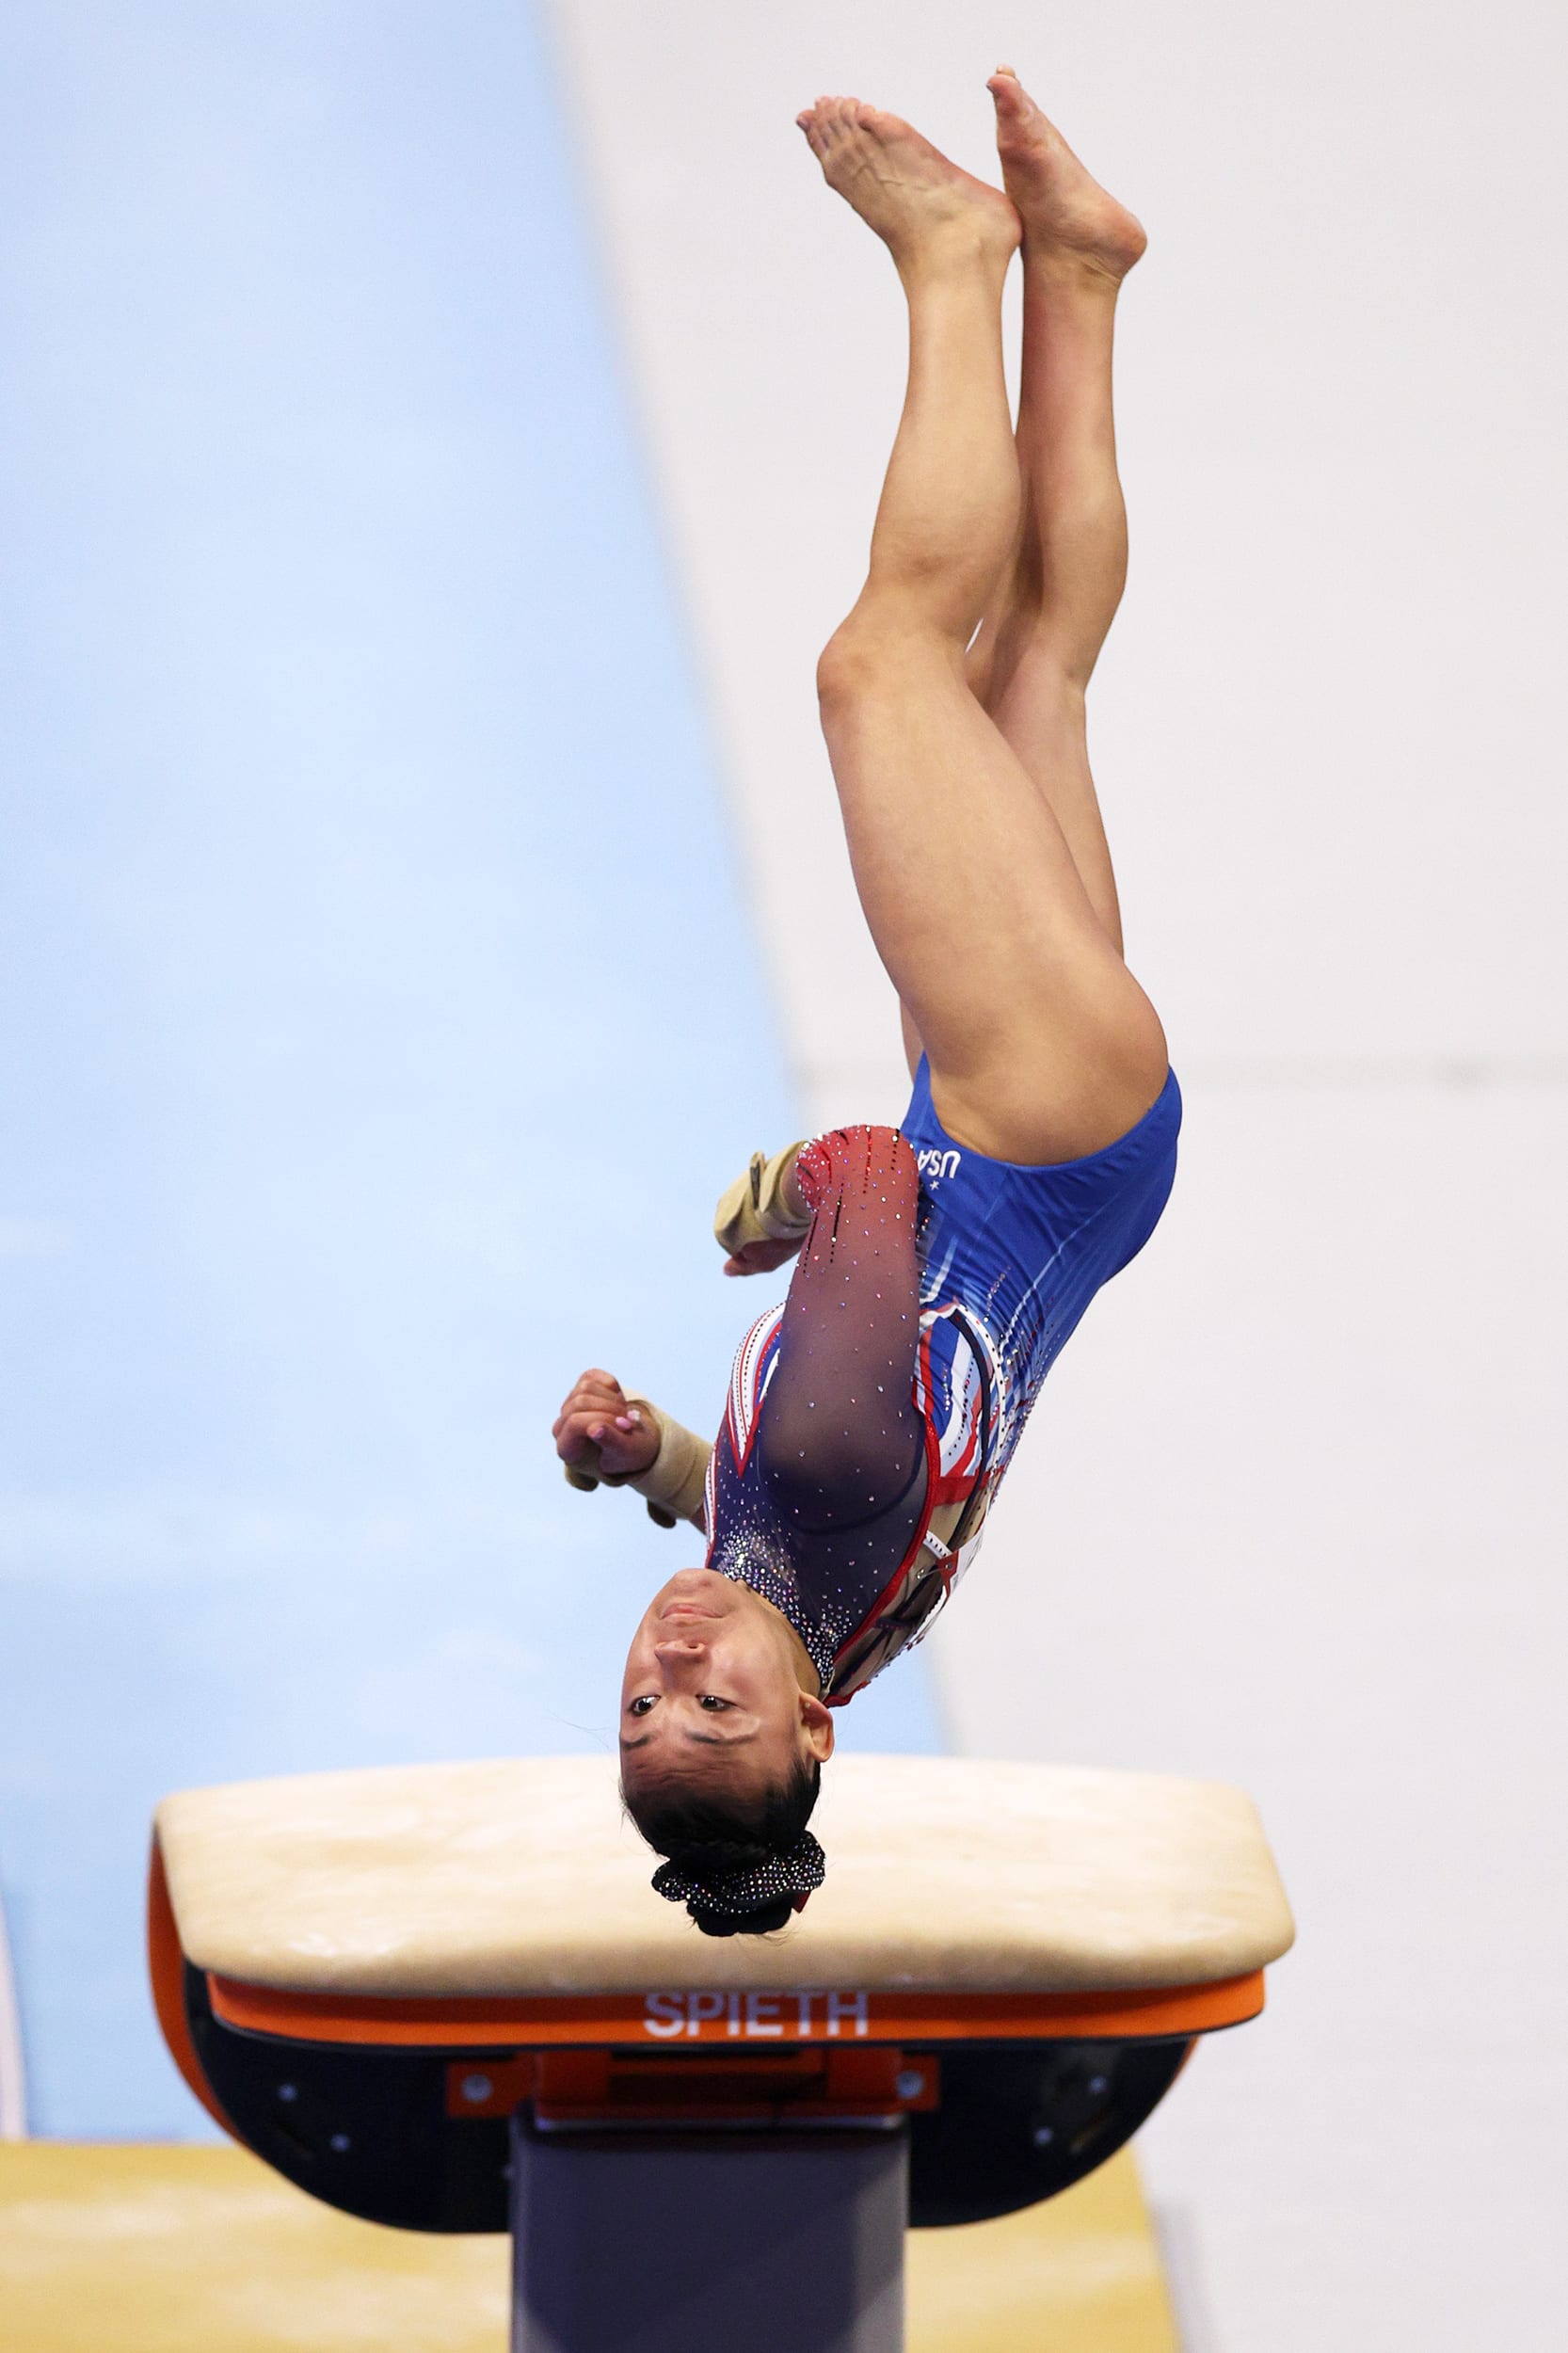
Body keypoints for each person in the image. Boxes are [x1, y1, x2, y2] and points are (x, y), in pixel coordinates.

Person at [553, 70, 1179, 1935]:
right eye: (709, 1700)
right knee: (876, 662)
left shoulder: (812, 1593)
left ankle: (1075, 271)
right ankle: (954, 261)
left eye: (641, 1703)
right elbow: (857, 1184)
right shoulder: (825, 1461)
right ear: (812, 1726)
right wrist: (774, 1221)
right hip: (1000, 1116)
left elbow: (753, 1529)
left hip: (1080, 1164)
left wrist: (655, 1454)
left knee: (1031, 674)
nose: (670, 1661)